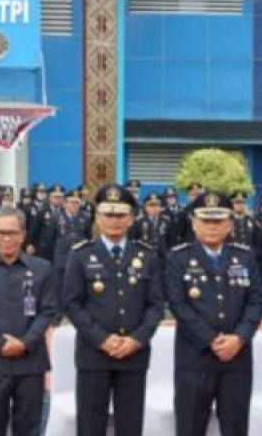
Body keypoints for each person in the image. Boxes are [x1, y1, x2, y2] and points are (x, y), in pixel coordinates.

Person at [62, 184, 165, 436]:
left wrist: (137, 340)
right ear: (98, 217)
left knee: (130, 425)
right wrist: (102, 339)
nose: (114, 221)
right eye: (108, 214)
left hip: (133, 354)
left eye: (120, 215)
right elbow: (72, 303)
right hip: (94, 354)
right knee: (90, 424)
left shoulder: (147, 255)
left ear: (131, 218)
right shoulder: (81, 255)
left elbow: (156, 305)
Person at [165, 191, 262, 436]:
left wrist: (238, 338)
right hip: (195, 357)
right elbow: (178, 304)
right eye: (206, 220)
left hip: (236, 357)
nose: (212, 226)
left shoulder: (245, 256)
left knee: (235, 427)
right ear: (194, 223)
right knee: (190, 426)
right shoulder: (178, 257)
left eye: (219, 220)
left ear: (230, 224)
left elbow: (256, 301)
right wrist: (211, 339)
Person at [0, 206, 56, 436]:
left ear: (23, 234)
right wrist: (1, 344)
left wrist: (25, 343)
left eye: (12, 233)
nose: (6, 238)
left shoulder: (42, 268)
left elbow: (47, 311)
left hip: (31, 360)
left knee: (29, 427)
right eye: (0, 233)